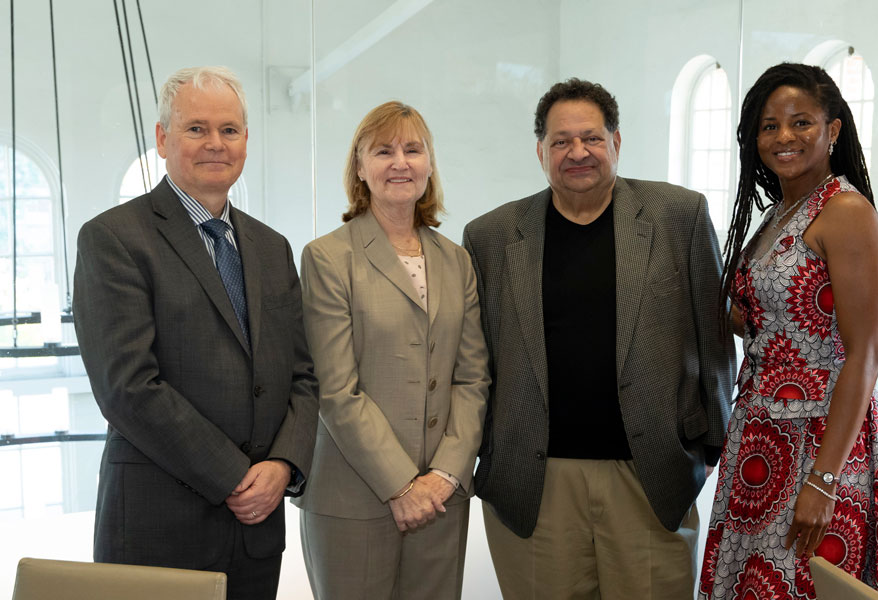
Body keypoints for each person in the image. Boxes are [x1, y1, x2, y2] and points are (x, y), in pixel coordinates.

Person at [463, 78, 736, 598]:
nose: (577, 152)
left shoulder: (678, 216)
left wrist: (709, 445)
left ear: (616, 141)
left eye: (591, 137)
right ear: (540, 151)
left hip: (650, 475)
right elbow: (477, 360)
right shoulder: (491, 236)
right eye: (561, 141)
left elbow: (715, 335)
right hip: (534, 484)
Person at [73, 66, 319, 600]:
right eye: (196, 129)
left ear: (246, 142)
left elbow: (303, 374)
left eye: (229, 130)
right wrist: (235, 474)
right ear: (162, 138)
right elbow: (128, 387)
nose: (215, 144)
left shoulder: (271, 248)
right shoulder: (113, 239)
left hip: (256, 532)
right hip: (158, 529)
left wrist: (284, 464)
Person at [699, 63, 878, 600]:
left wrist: (823, 480)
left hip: (824, 441)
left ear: (834, 130)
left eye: (801, 122)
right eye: (768, 126)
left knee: (808, 584)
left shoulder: (845, 211)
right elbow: (784, 316)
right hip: (763, 433)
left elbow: (865, 354)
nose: (784, 137)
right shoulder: (781, 212)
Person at [292, 101, 489, 600]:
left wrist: (443, 476)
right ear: (359, 167)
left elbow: (472, 377)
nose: (400, 162)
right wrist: (404, 486)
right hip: (352, 500)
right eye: (383, 151)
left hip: (442, 501)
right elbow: (338, 391)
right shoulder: (328, 258)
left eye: (412, 149)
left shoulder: (456, 260)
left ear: (428, 165)